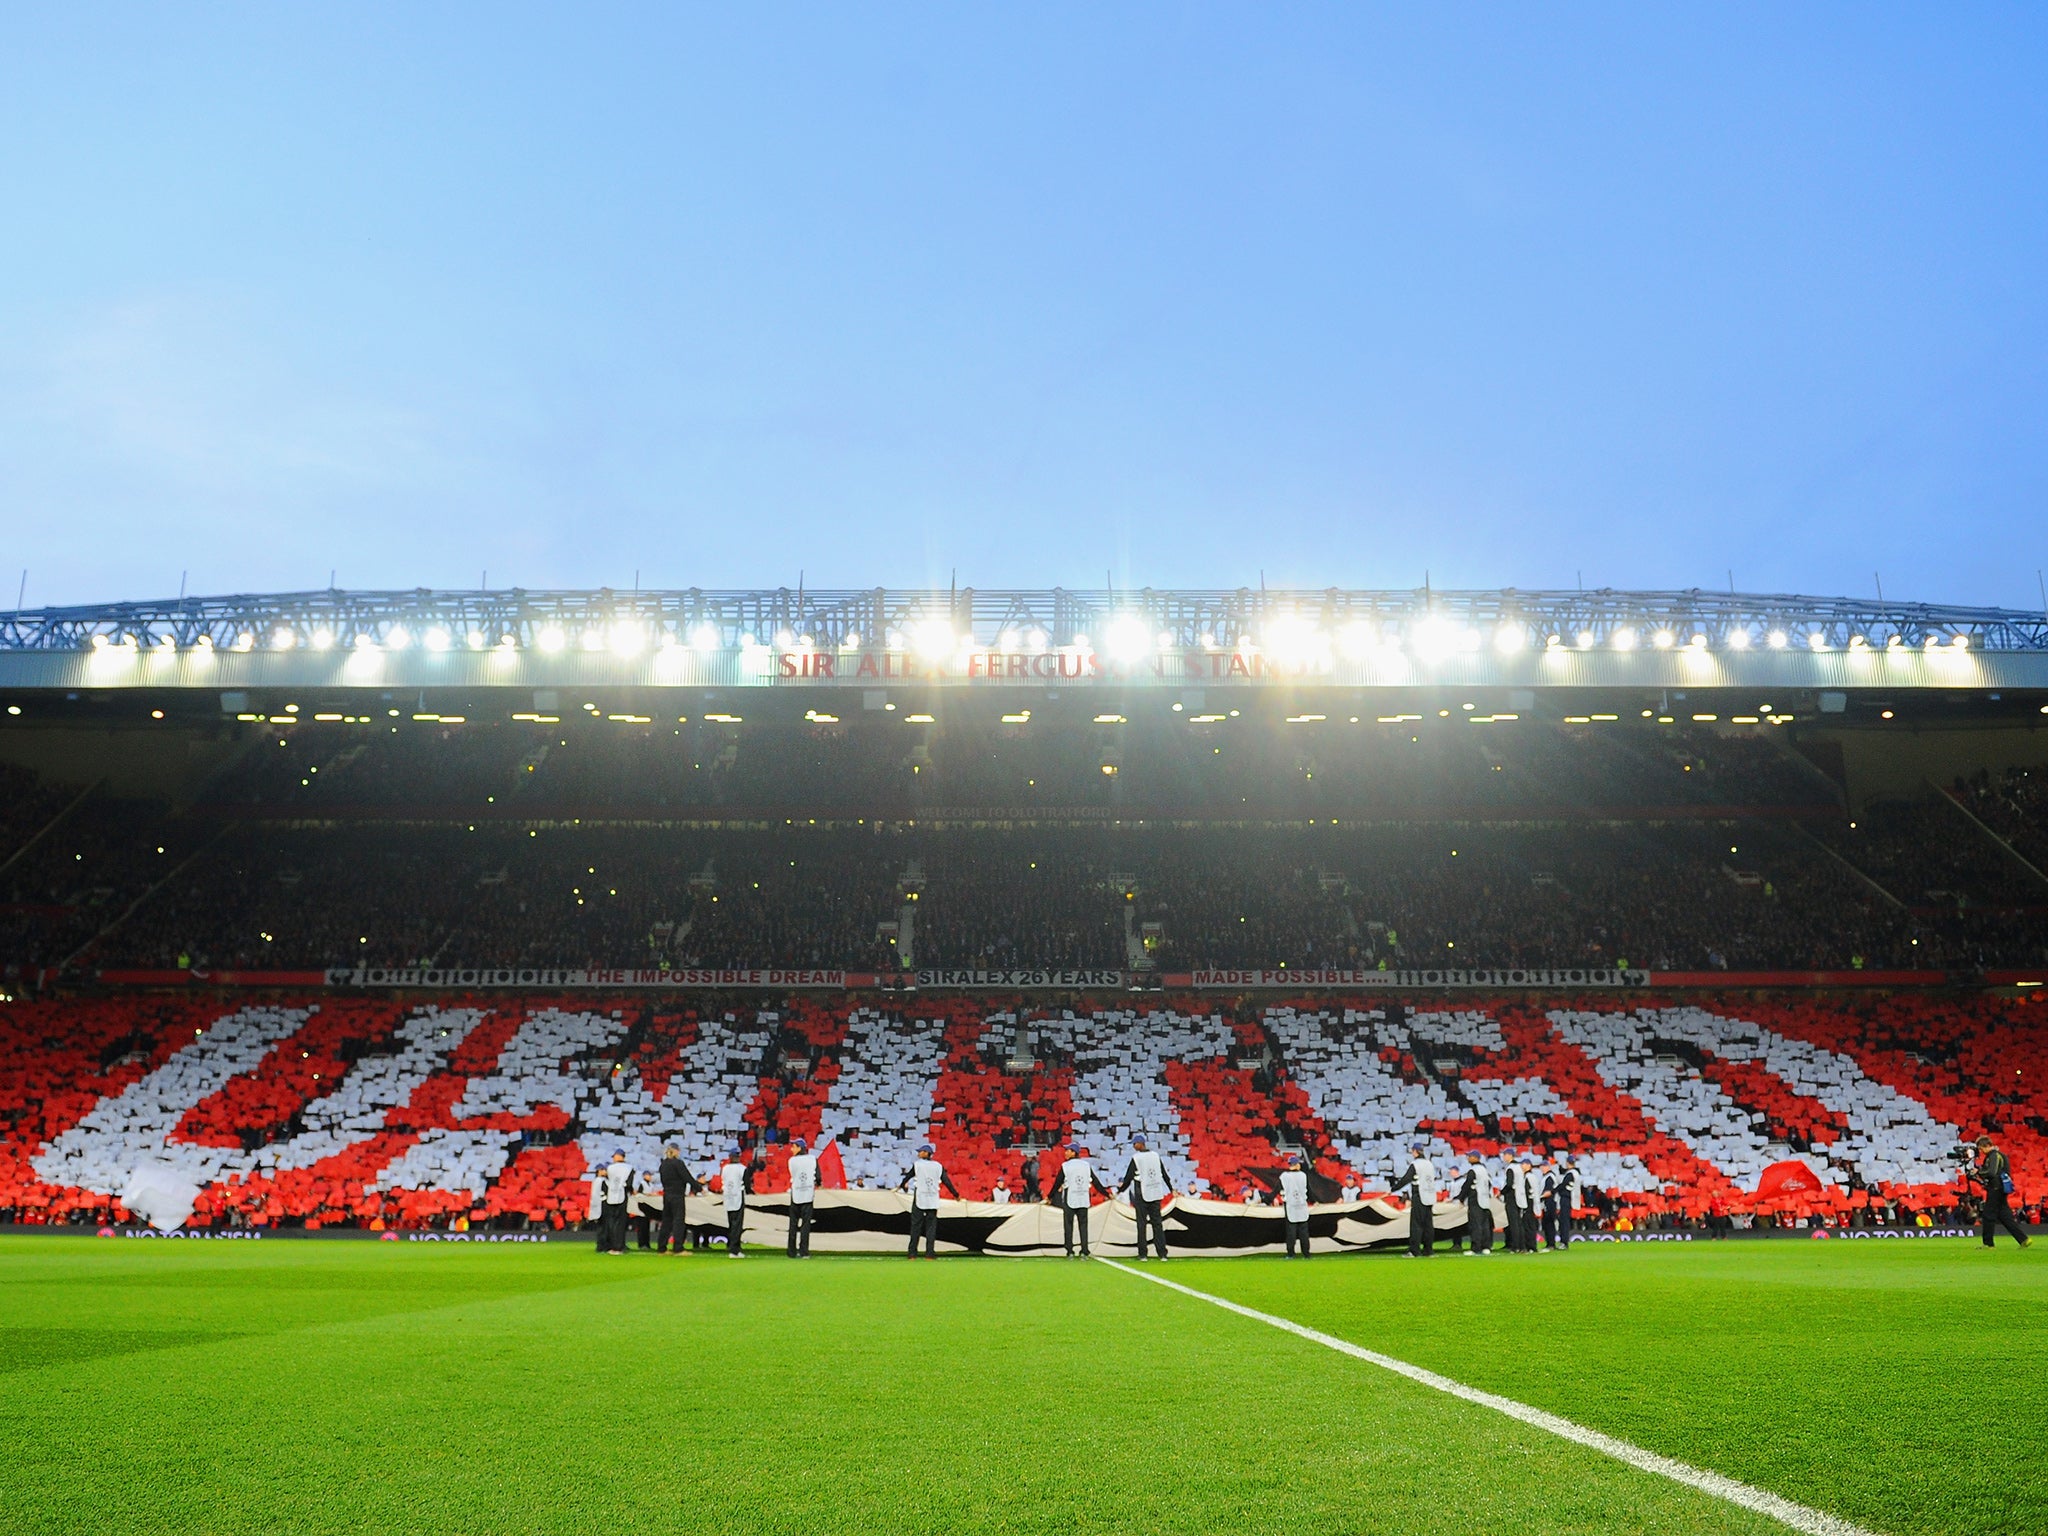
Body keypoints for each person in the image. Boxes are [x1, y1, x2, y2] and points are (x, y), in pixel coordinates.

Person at [1118, 1134, 1174, 1260]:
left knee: (1141, 1225)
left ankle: (1143, 1254)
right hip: (1155, 1193)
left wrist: (1119, 1191)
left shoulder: (1136, 1158)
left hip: (1142, 1194)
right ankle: (1162, 1254)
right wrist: (1171, 1188)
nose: (1133, 1146)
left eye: (1134, 1143)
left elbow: (1128, 1178)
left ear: (1140, 1143)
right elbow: (1164, 1174)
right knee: (1157, 1224)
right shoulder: (1155, 1155)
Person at [1975, 1135, 2033, 1249]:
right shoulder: (1999, 1155)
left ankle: (1988, 1244)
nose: (1981, 1151)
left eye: (1981, 1148)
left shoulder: (1994, 1156)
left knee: (1988, 1215)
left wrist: (1979, 1171)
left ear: (1987, 1146)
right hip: (2001, 1189)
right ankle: (2023, 1239)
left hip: (1996, 1189)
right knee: (2005, 1217)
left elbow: (1991, 1173)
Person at [904, 1144, 960, 1259]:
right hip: (932, 1199)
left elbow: (908, 1177)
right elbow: (946, 1181)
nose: (918, 1153)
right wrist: (955, 1194)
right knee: (931, 1227)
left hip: (920, 1197)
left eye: (920, 1152)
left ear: (925, 1152)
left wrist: (901, 1185)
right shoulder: (938, 1166)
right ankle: (929, 1253)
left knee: (916, 1226)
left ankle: (912, 1253)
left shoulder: (918, 1165)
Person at [1057, 1143, 1108, 1258]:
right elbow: (1095, 1181)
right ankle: (1084, 1250)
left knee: (1068, 1225)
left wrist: (1049, 1196)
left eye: (1067, 1150)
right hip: (1083, 1198)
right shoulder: (1086, 1165)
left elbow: (1058, 1182)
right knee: (1083, 1225)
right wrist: (1106, 1194)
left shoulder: (1065, 1166)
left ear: (1073, 1152)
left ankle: (1069, 1250)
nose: (1065, 1152)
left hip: (1070, 1198)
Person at [1389, 1143, 1437, 1257]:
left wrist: (1394, 1189)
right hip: (1430, 1196)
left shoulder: (1415, 1164)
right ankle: (1428, 1250)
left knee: (1416, 1224)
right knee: (1428, 1224)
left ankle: (1414, 1250)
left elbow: (1406, 1179)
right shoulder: (1429, 1164)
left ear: (1415, 1151)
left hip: (1419, 1195)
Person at [655, 1144, 702, 1255]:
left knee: (666, 1221)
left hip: (667, 1195)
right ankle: (678, 1247)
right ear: (676, 1151)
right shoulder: (678, 1163)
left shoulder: (663, 1164)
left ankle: (661, 1247)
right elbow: (687, 1177)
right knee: (678, 1221)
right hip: (677, 1195)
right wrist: (699, 1188)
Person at [590, 1149, 634, 1255]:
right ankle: (620, 1245)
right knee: (621, 1223)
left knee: (611, 1223)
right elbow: (629, 1184)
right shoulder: (629, 1168)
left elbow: (607, 1181)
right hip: (623, 1197)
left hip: (610, 1198)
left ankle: (611, 1245)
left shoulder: (610, 1168)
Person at [785, 1136, 819, 1258]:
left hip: (796, 1194)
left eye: (793, 1146)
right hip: (808, 1194)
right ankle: (804, 1251)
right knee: (805, 1225)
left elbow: (793, 1174)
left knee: (793, 1224)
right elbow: (818, 1177)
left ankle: (791, 1251)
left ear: (800, 1148)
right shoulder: (813, 1159)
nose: (791, 1149)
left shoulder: (791, 1161)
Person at [1455, 1155, 1494, 1256]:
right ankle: (1486, 1246)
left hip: (1476, 1199)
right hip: (1485, 1200)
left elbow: (1467, 1185)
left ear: (1476, 1158)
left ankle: (1476, 1247)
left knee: (1475, 1224)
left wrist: (1461, 1198)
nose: (1468, 1158)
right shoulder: (1484, 1170)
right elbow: (1489, 1184)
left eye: (1470, 1156)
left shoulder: (1473, 1170)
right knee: (1485, 1224)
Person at [718, 1145, 752, 1258]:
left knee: (731, 1223)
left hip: (728, 1196)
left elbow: (723, 1181)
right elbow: (747, 1185)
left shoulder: (725, 1168)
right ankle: (734, 1249)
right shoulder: (742, 1168)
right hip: (737, 1196)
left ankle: (733, 1247)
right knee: (737, 1225)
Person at [1279, 1152, 1312, 1259]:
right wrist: (1315, 1201)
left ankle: (1290, 1253)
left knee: (1291, 1232)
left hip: (1290, 1206)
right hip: (1302, 1206)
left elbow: (1277, 1190)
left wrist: (1266, 1199)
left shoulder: (1284, 1176)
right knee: (1304, 1232)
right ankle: (1306, 1253)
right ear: (1297, 1164)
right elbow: (1309, 1191)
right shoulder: (1303, 1175)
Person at [1552, 1154, 1580, 1251]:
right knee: (1564, 1221)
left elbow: (1563, 1185)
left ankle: (1564, 1242)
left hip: (1566, 1198)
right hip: (1570, 1198)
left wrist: (1553, 1191)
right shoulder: (1576, 1173)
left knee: (1564, 1221)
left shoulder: (1570, 1174)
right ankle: (1564, 1241)